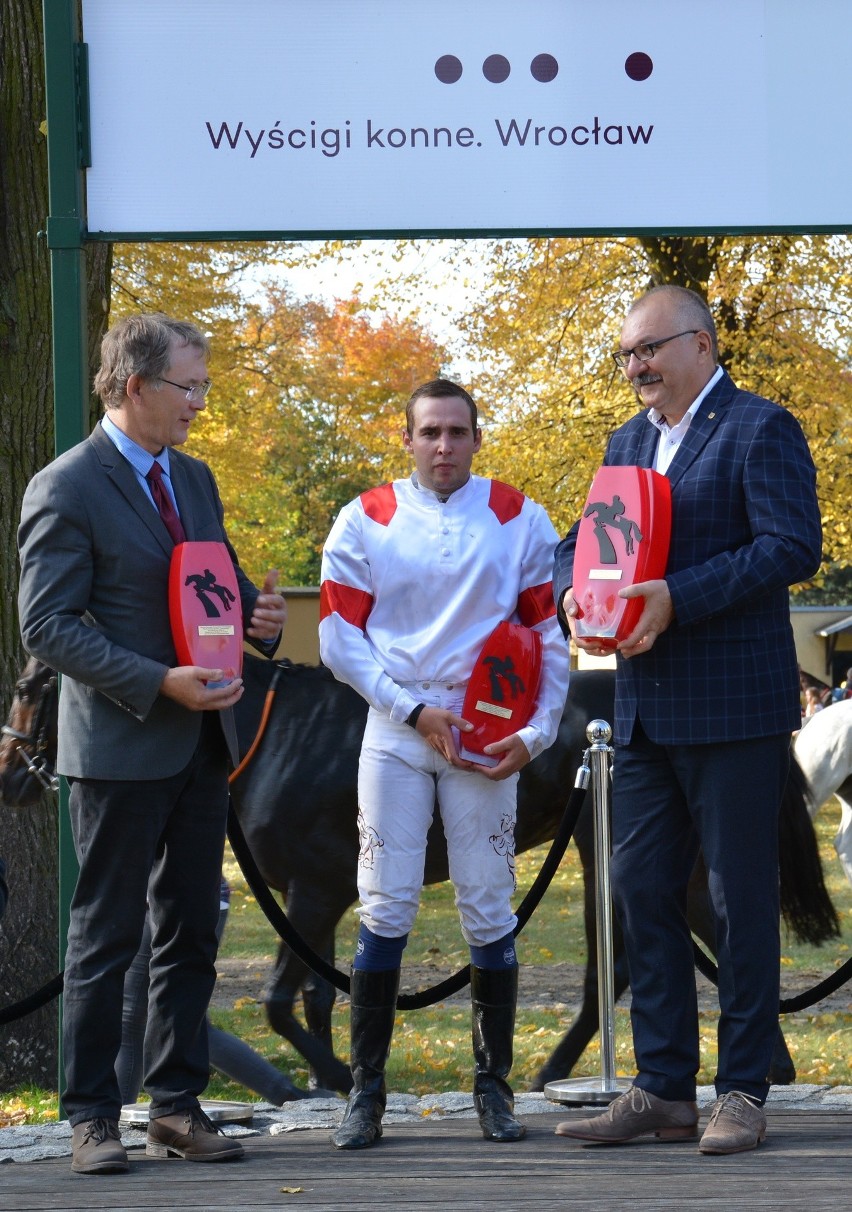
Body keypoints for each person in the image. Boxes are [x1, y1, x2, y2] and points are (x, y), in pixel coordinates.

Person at [552, 286, 822, 1155]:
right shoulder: (626, 443)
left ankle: (742, 1088)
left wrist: (678, 597)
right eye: (626, 354)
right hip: (642, 713)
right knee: (639, 893)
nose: (635, 367)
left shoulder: (759, 427)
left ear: (701, 345)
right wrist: (569, 590)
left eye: (648, 350)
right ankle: (663, 1086)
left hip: (736, 709)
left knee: (741, 903)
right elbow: (579, 540)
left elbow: (791, 546)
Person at [17, 314, 287, 1175]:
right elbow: (48, 625)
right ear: (135, 387)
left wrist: (260, 618)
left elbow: (214, 583)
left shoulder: (194, 479)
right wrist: (152, 679)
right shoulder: (65, 487)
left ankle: (175, 1106)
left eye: (205, 387)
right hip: (118, 749)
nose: (200, 405)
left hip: (202, 746)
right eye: (189, 387)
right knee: (105, 939)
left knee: (191, 934)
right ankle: (94, 1116)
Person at [319, 378, 569, 1150]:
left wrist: (535, 735)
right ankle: (366, 1093)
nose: (443, 447)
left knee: (489, 907)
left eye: (458, 432)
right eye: (429, 432)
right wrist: (408, 709)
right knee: (385, 905)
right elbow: (337, 636)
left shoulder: (521, 516)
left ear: (477, 437)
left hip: (487, 728)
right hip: (399, 729)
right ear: (406, 439)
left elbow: (549, 638)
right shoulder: (364, 518)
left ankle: (493, 1091)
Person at [116, 876, 327, 1108]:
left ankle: (289, 1096)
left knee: (190, 1024)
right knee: (131, 1019)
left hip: (189, 897)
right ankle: (116, 1117)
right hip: (145, 900)